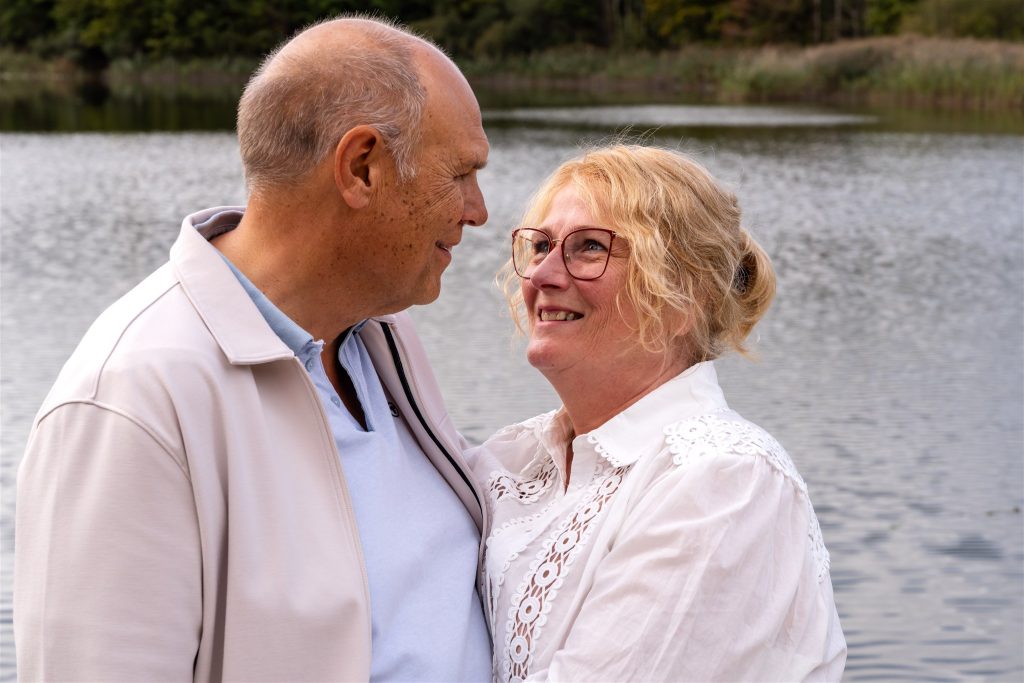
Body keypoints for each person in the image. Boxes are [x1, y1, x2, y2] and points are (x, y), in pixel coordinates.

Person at [15, 17, 492, 682]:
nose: (478, 210)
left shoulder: (381, 338)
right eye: (463, 172)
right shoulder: (130, 398)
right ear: (362, 168)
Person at [471, 144, 847, 682]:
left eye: (588, 248)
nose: (543, 275)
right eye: (542, 245)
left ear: (681, 298)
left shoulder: (723, 479)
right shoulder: (515, 456)